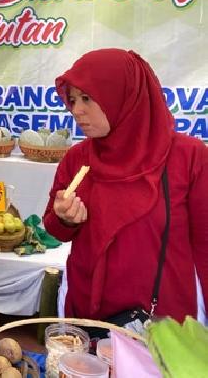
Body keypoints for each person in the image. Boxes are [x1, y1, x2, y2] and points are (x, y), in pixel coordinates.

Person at [43, 48, 208, 323]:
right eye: (72, 100)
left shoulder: (188, 157)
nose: (76, 110)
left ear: (123, 95)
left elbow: (205, 245)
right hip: (87, 315)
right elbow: (54, 229)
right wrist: (64, 219)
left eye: (87, 98)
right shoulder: (78, 158)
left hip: (163, 323)